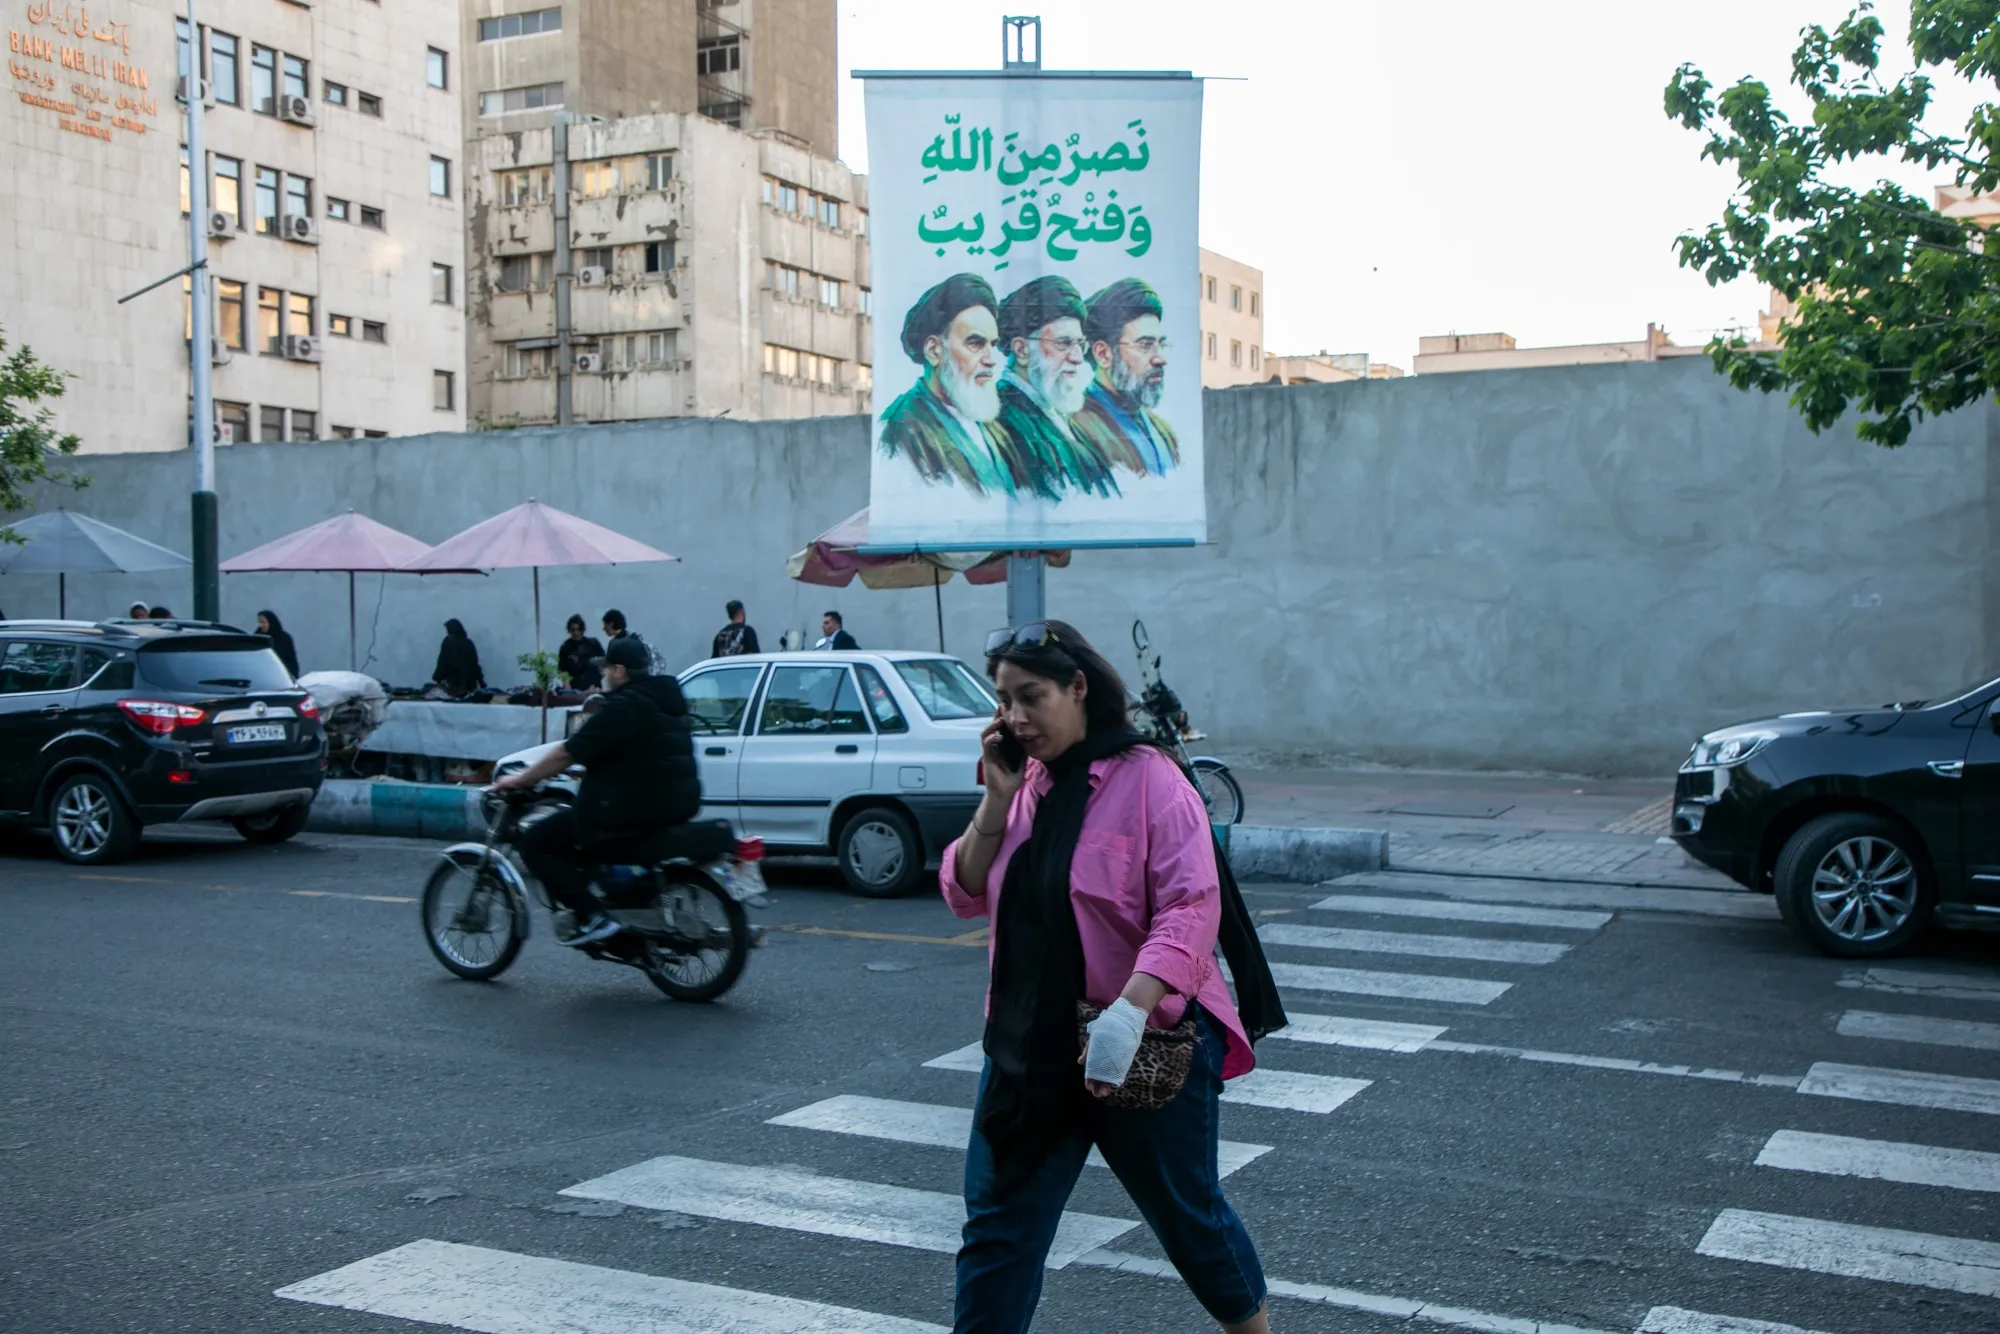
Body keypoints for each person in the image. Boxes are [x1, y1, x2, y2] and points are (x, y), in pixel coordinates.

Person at [941, 620, 1285, 1334]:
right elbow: (964, 890)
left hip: (1137, 1041)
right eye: (1003, 700)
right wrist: (996, 800)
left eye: (1030, 696)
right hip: (1028, 1049)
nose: (1015, 717)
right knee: (999, 1230)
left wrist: (1128, 1013)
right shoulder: (1024, 784)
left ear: (1077, 687)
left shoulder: (1149, 780)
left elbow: (1190, 907)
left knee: (1188, 1219)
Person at [495, 637, 701, 945]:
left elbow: (568, 752)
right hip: (673, 805)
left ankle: (591, 916)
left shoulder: (622, 706)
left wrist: (522, 779)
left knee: (537, 842)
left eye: (605, 668)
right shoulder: (665, 699)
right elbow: (638, 753)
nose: (602, 674)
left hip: (630, 810)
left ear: (619, 671)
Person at [877, 274, 1030, 497]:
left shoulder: (994, 428)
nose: (990, 360)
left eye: (992, 345)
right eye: (976, 343)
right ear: (934, 350)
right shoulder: (901, 432)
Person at [994, 276, 1120, 501]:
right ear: (1022, 350)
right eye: (1063, 343)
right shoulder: (1003, 420)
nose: (1078, 358)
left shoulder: (1057, 413)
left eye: (1080, 344)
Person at [1071, 278, 1180, 478]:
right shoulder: (1076, 432)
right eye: (1145, 345)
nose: (1160, 359)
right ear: (1103, 354)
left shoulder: (1165, 433)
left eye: (1161, 344)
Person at [431, 618, 486, 697]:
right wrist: (481, 682)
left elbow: (442, 662)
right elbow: (474, 664)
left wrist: (437, 677)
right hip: (469, 685)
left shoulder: (448, 642)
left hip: (452, 684)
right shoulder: (468, 643)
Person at [558, 614, 604, 691]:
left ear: (582, 629)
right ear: (569, 630)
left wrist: (596, 685)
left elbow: (603, 665)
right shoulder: (565, 648)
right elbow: (563, 671)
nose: (576, 633)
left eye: (578, 629)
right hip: (575, 688)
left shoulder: (593, 644)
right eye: (573, 630)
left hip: (594, 688)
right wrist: (569, 691)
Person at [256, 610, 301, 679]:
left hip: (281, 676)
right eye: (259, 622)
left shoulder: (283, 638)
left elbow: (291, 660)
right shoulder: (258, 637)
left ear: (271, 623)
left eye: (263, 622)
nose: (261, 625)